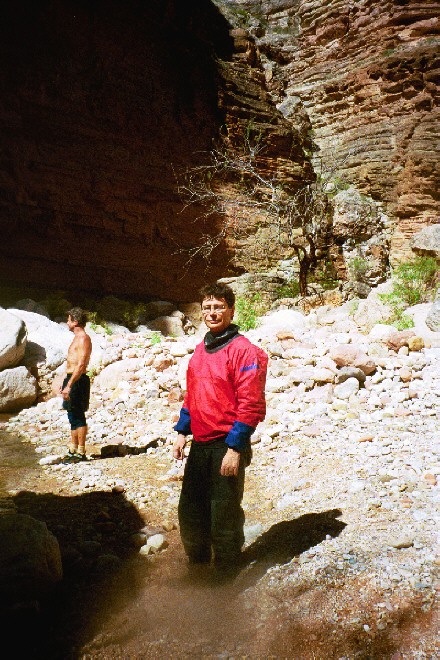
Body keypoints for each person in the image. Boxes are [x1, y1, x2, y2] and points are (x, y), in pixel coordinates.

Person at [172, 282, 268, 571]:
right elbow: (193, 395)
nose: (212, 313)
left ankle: (225, 578)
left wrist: (236, 448)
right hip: (200, 444)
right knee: (190, 511)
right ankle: (198, 569)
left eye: (218, 307)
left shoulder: (244, 351)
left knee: (222, 513)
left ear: (231, 309)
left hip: (227, 444)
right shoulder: (201, 350)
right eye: (207, 308)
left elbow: (251, 404)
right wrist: (180, 433)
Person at [60, 308, 92, 464]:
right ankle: (72, 449)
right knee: (71, 414)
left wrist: (70, 385)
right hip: (71, 379)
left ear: (76, 322)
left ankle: (81, 451)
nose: (67, 322)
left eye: (69, 319)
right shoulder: (76, 338)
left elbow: (80, 365)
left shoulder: (83, 338)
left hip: (78, 380)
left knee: (78, 415)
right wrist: (65, 383)